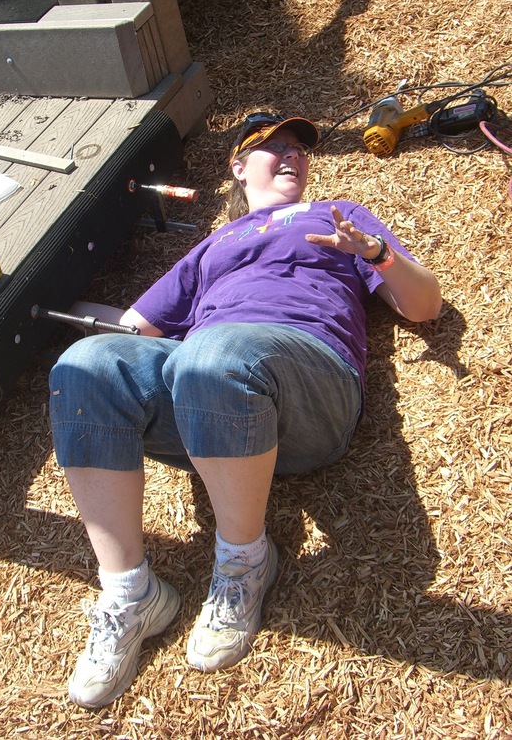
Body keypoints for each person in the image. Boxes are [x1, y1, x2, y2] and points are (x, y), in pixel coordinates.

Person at [49, 111, 442, 709]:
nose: (292, 155)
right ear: (238, 167)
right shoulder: (213, 244)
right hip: (208, 394)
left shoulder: (335, 216)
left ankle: (245, 562)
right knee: (84, 367)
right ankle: (131, 591)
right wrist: (66, 314)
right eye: (272, 146)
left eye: (299, 148)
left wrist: (378, 254)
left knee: (213, 354)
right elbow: (132, 331)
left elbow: (426, 306)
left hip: (308, 387)